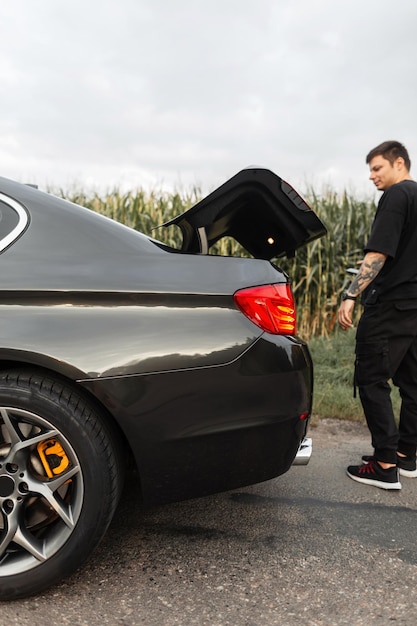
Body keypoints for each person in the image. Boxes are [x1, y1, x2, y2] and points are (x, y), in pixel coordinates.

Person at [338, 140, 417, 490]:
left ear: (399, 163)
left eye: (377, 168)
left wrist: (351, 294)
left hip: (390, 306)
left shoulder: (397, 196)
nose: (372, 176)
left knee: (371, 378)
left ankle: (384, 465)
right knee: (413, 383)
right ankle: (406, 455)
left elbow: (379, 252)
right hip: (415, 306)